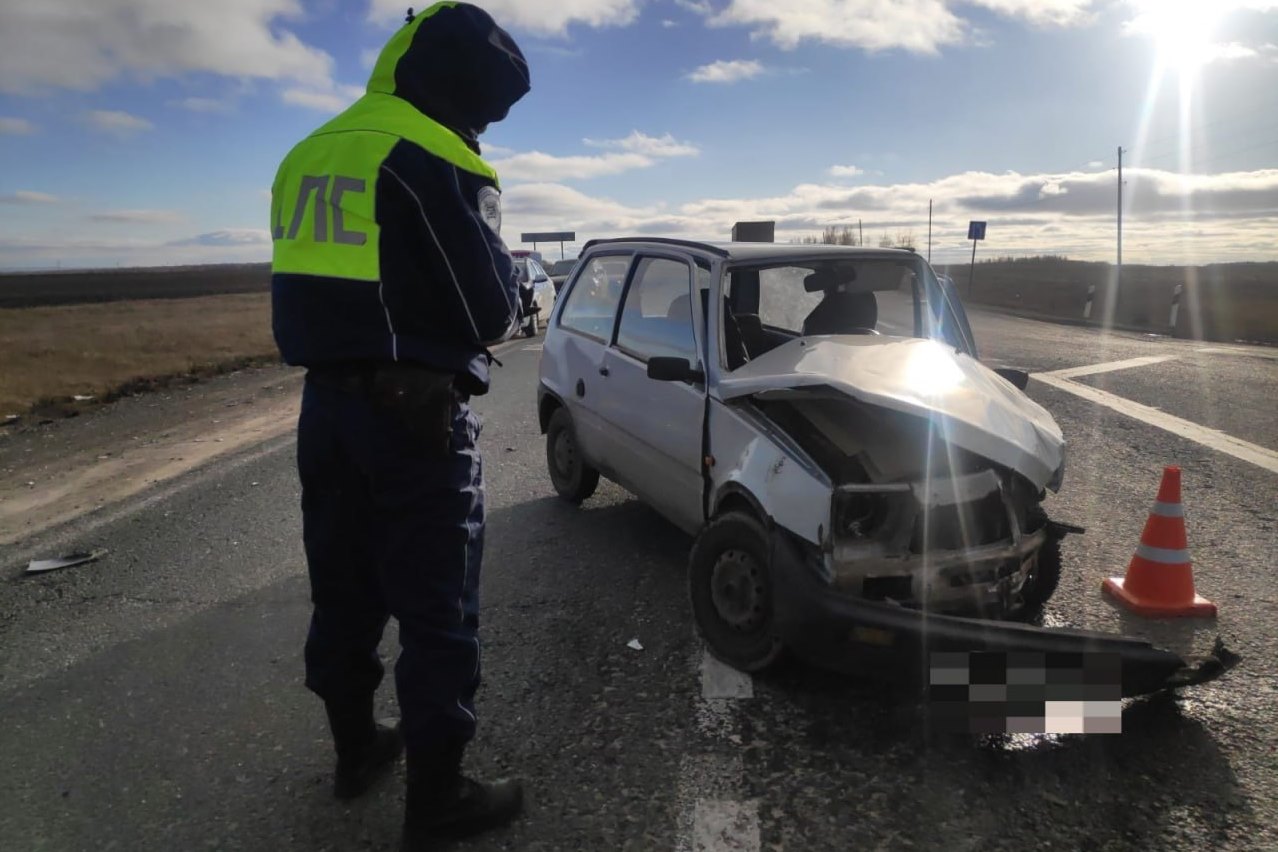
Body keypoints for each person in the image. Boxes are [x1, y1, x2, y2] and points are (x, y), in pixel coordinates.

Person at [268, 3, 530, 847]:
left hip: (325, 409)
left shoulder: (309, 151)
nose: (483, 124)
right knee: (437, 606)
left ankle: (355, 752)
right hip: (416, 415)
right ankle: (439, 797)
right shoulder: (435, 155)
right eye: (486, 108)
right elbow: (489, 309)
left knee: (342, 587)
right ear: (463, 92)